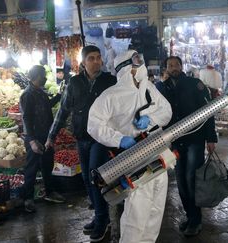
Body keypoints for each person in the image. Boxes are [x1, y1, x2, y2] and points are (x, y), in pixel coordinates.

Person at [87, 50, 172, 243]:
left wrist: (152, 117)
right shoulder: (110, 95)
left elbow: (167, 111)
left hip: (157, 150)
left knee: (156, 209)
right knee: (137, 211)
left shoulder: (149, 88)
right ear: (126, 68)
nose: (140, 66)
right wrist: (119, 139)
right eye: (136, 62)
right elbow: (94, 124)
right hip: (134, 157)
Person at [45, 45, 117, 242]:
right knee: (86, 179)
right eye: (91, 58)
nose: (96, 61)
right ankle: (99, 216)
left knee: (96, 177)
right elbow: (63, 110)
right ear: (83, 63)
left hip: (101, 139)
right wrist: (52, 135)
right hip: (81, 137)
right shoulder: (74, 83)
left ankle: (103, 220)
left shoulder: (110, 82)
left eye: (98, 58)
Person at [158, 56, 218, 236]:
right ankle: (190, 215)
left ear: (181, 66)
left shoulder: (195, 84)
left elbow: (208, 111)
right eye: (170, 66)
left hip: (194, 139)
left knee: (191, 179)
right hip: (175, 141)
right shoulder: (163, 87)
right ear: (166, 69)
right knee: (181, 181)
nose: (173, 68)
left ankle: (196, 220)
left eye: (176, 65)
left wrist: (211, 138)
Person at [19, 65, 65, 213]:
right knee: (31, 167)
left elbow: (47, 105)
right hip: (34, 136)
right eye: (42, 76)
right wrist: (31, 140)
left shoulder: (40, 92)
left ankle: (49, 192)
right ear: (36, 77)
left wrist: (59, 96)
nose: (45, 78)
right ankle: (28, 199)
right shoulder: (27, 95)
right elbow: (26, 118)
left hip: (46, 135)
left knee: (47, 165)